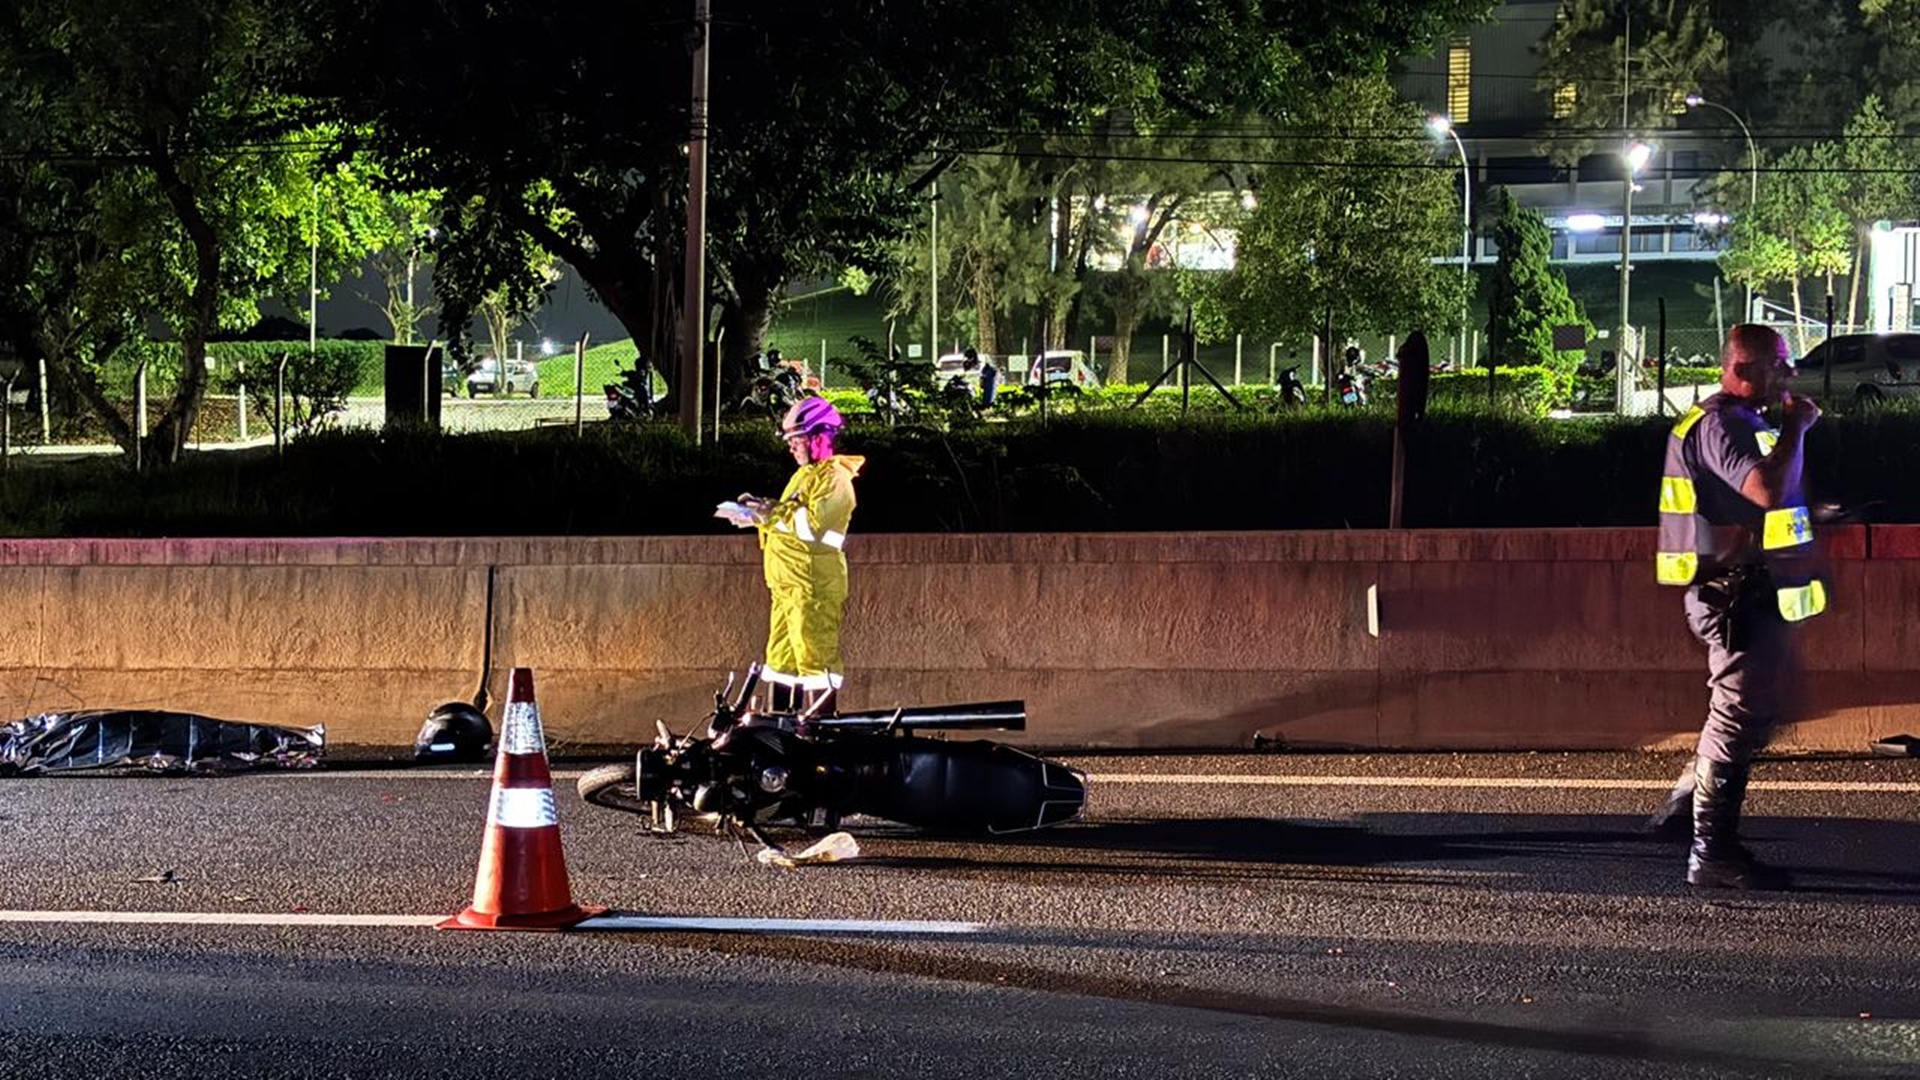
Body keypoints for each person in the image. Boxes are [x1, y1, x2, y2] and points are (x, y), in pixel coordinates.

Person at [1650, 323, 1827, 890]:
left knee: (1750, 713)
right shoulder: (1723, 425)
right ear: (1744, 369)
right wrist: (1799, 426)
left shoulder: (1739, 423)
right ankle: (1711, 850)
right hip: (1734, 593)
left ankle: (1689, 810)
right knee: (1736, 714)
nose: (1790, 374)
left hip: (1746, 587)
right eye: (1780, 363)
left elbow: (1758, 505)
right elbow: (1765, 493)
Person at [718, 395, 864, 717]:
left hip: (812, 587)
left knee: (816, 660)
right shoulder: (805, 475)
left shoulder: (835, 479)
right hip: (789, 587)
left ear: (819, 437)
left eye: (795, 439)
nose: (791, 446)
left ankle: (820, 737)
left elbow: (811, 527)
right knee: (781, 661)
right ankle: (776, 732)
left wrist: (769, 514)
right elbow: (789, 519)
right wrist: (756, 514)